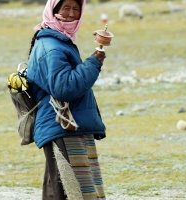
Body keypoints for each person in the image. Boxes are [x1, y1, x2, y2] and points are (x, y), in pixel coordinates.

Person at [27, 0, 107, 199]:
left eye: (76, 8)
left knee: (62, 189)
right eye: (66, 8)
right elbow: (64, 88)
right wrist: (93, 62)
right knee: (69, 190)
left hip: (69, 125)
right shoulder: (51, 46)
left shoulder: (60, 41)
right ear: (53, 10)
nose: (71, 14)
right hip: (61, 126)